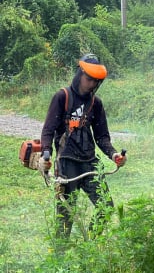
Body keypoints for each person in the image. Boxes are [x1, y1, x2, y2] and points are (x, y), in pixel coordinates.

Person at [38, 53, 127, 238]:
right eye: (89, 79)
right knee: (66, 215)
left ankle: (90, 247)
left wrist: (114, 155)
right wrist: (45, 155)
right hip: (67, 162)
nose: (92, 84)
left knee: (106, 207)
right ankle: (60, 257)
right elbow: (48, 131)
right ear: (80, 75)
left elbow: (102, 137)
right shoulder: (62, 97)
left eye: (96, 81)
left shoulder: (96, 104)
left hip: (89, 163)